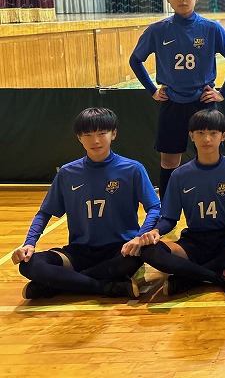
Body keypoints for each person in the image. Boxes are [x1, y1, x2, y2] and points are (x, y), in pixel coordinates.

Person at [12, 108, 160, 299]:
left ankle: (59, 284)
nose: (95, 141)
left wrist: (139, 237)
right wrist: (29, 244)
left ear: (113, 134)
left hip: (120, 249)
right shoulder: (67, 173)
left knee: (136, 258)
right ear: (79, 138)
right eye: (88, 135)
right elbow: (44, 213)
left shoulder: (132, 169)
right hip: (79, 252)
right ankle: (105, 287)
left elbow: (154, 207)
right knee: (29, 265)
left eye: (102, 133)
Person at [129, 0, 225, 196]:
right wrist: (152, 90)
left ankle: (211, 199)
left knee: (210, 155)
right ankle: (168, 208)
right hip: (172, 102)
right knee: (169, 159)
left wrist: (222, 92)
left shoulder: (211, 28)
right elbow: (135, 60)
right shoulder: (158, 30)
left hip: (203, 103)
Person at [139, 110, 225, 295]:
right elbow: (169, 219)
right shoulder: (180, 175)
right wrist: (155, 231)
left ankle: (189, 276)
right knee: (148, 250)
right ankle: (218, 275)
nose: (207, 139)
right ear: (191, 136)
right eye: (200, 133)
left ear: (223, 136)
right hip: (194, 242)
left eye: (213, 133)